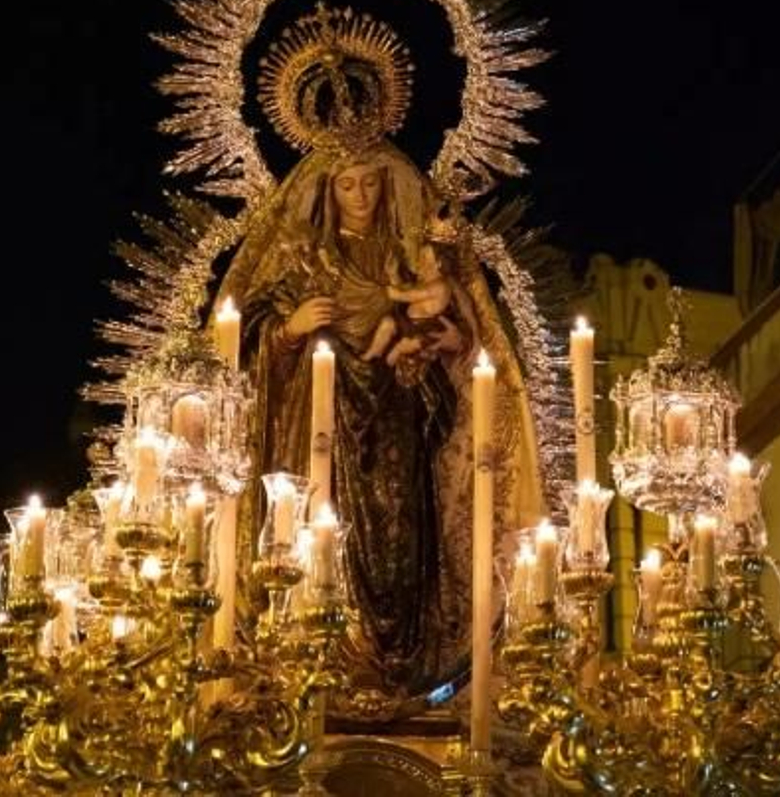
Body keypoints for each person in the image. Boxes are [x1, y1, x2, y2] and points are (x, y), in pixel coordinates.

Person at [218, 141, 544, 718]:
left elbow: (464, 339)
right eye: (347, 185)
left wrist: (453, 341)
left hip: (400, 430)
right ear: (327, 191)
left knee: (400, 541)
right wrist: (290, 331)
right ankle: (327, 659)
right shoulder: (302, 258)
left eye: (370, 183)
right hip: (322, 435)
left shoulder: (408, 255)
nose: (361, 196)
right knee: (328, 534)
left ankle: (400, 666)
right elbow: (242, 348)